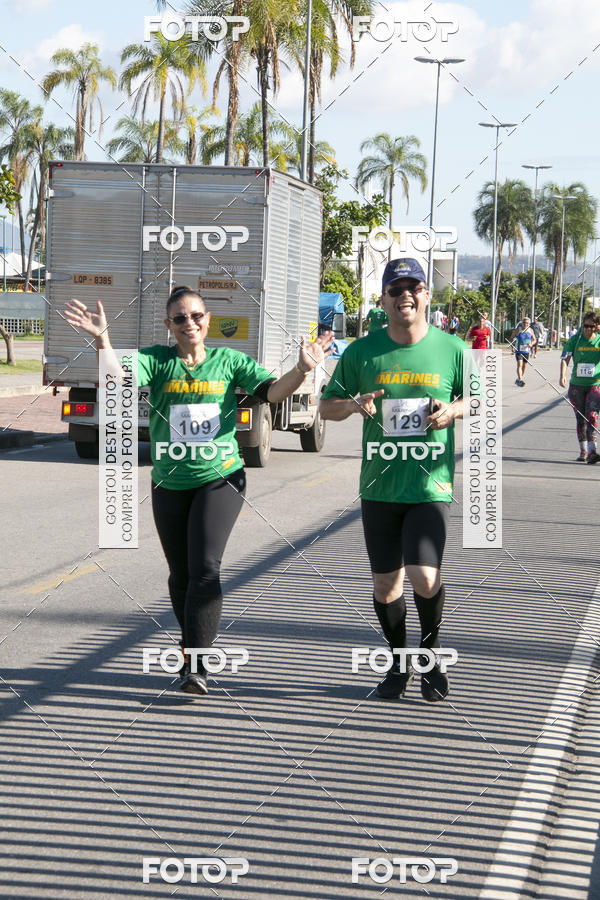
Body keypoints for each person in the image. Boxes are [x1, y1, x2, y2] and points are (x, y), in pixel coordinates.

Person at [65, 287, 333, 695]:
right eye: (179, 318)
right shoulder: (156, 360)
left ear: (207, 320)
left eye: (195, 316)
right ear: (169, 326)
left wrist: (301, 370)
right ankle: (193, 644)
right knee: (181, 575)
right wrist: (103, 340)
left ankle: (196, 664)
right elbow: (118, 379)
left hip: (221, 477)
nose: (189, 323)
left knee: (205, 567)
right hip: (170, 482)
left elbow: (271, 393)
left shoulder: (229, 361)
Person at [320, 258, 470, 704]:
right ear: (383, 299)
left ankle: (430, 654)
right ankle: (398, 661)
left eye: (414, 287)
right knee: (386, 586)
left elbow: (478, 398)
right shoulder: (362, 353)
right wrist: (352, 405)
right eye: (395, 288)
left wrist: (452, 410)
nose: (405, 295)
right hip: (380, 488)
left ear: (427, 295)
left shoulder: (452, 348)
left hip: (429, 486)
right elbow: (327, 406)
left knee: (425, 576)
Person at [559, 311, 600, 463]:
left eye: (591, 326)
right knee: (581, 418)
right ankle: (583, 451)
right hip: (577, 386)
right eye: (585, 326)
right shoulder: (575, 340)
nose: (588, 329)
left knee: (592, 416)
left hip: (595, 385)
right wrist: (562, 375)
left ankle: (592, 450)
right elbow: (565, 359)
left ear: (596, 327)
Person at [511, 317, 537, 386]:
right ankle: (520, 379)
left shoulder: (531, 330)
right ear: (522, 323)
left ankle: (518, 379)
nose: (525, 324)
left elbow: (534, 340)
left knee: (524, 366)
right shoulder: (517, 330)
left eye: (527, 323)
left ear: (529, 324)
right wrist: (512, 346)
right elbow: (511, 338)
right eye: (524, 323)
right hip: (518, 350)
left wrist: (531, 344)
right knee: (519, 364)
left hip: (526, 351)